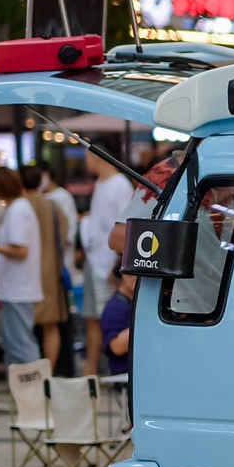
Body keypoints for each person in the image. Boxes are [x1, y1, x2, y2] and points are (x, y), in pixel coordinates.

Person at [81, 138, 134, 374]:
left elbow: (126, 229)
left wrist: (118, 266)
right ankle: (91, 369)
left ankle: (102, 370)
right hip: (95, 259)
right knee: (92, 317)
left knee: (105, 317)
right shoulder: (101, 183)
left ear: (97, 155)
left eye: (88, 155)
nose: (86, 161)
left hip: (108, 263)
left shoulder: (120, 185)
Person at [21, 165, 74, 374]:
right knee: (51, 326)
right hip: (51, 273)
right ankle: (48, 374)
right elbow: (65, 235)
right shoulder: (53, 206)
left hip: (25, 275)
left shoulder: (20, 207)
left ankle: (30, 376)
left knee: (25, 329)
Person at [0, 167, 43, 366]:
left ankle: (35, 383)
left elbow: (21, 250)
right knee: (16, 345)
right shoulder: (17, 208)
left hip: (19, 289)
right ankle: (25, 385)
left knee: (21, 345)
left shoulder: (18, 210)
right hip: (16, 288)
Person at [100, 269, 136, 376]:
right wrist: (146, 322)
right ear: (125, 276)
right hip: (125, 376)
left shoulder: (135, 302)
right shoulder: (115, 307)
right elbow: (116, 347)